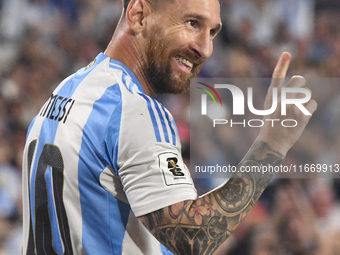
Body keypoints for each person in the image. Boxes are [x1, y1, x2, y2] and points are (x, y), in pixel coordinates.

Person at [21, 0, 317, 254]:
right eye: (192, 23)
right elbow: (194, 238)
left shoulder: (68, 89)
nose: (205, 49)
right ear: (138, 15)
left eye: (212, 32)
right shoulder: (134, 111)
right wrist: (272, 145)